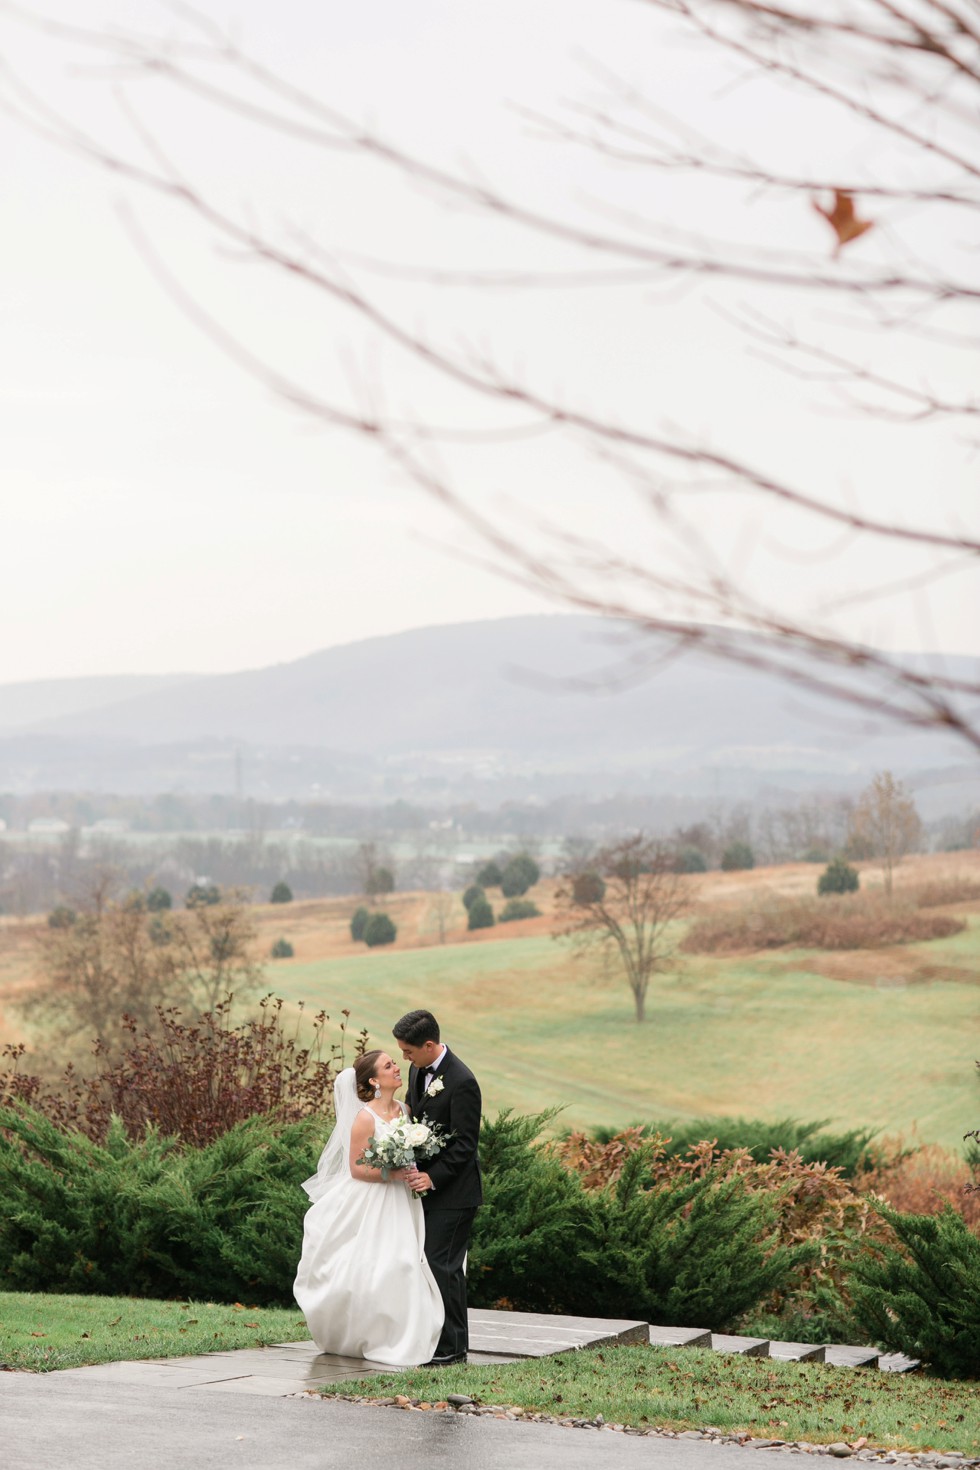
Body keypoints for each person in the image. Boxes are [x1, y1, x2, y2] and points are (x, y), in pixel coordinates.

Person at [293, 1049, 444, 1365]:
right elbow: (357, 1168)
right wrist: (393, 1173)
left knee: (404, 1263)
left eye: (394, 1062)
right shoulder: (365, 1117)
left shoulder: (405, 1109)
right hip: (372, 1200)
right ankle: (365, 1333)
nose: (396, 1067)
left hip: (402, 1201)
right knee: (376, 1266)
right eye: (388, 1065)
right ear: (374, 1080)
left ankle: (402, 1335)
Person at [392, 1008, 482, 1367]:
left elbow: (465, 1144)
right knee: (432, 1266)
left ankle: (452, 1349)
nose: (404, 1059)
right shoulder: (418, 1070)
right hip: (424, 1192)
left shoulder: (462, 1081)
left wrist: (433, 1176)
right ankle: (440, 1343)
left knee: (442, 1265)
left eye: (409, 1052)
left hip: (456, 1194)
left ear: (429, 1045)